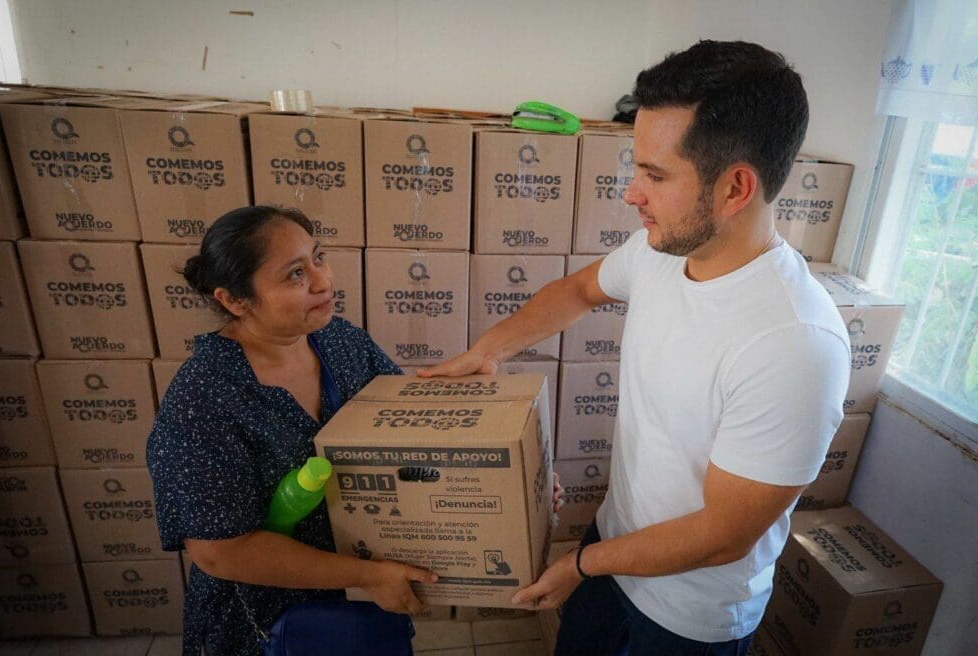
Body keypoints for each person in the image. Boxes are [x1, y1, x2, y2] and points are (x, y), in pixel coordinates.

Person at [421, 41, 851, 656]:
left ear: (735, 188)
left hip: (688, 613)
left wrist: (581, 565)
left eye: (655, 174)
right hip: (614, 546)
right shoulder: (659, 253)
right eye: (636, 167)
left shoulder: (794, 346)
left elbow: (721, 536)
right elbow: (578, 290)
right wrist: (488, 350)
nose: (631, 193)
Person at [147, 206, 436, 656]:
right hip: (269, 620)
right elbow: (220, 552)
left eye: (318, 258)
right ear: (235, 300)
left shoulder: (342, 342)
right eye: (295, 274)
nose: (323, 281)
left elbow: (411, 427)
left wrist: (513, 488)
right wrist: (367, 576)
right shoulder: (204, 398)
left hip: (364, 597)